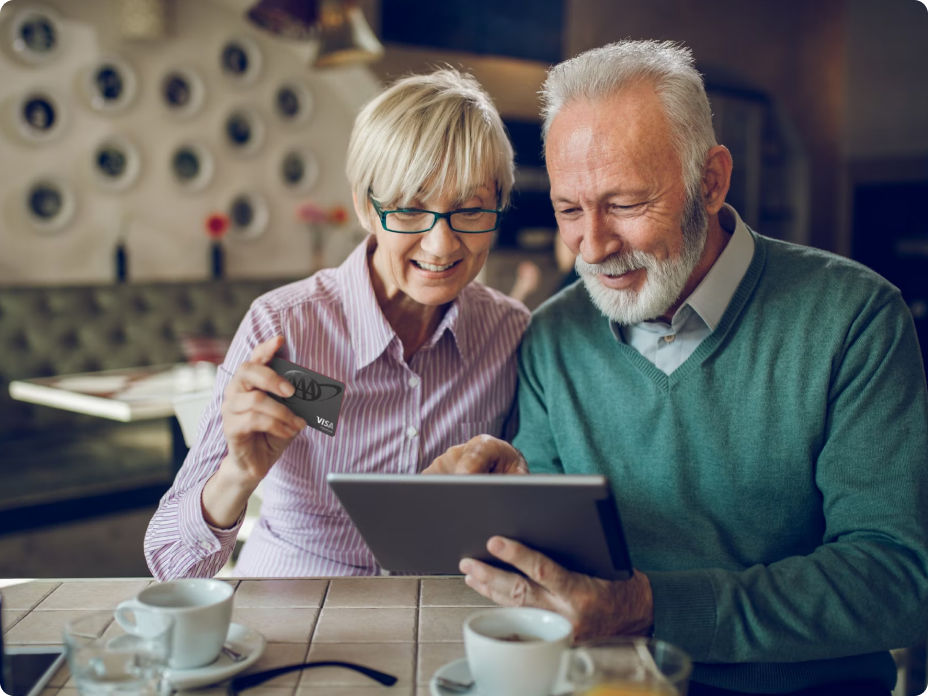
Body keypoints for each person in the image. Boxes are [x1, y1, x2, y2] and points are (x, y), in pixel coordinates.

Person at [425, 40, 928, 695]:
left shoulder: (856, 319)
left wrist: (653, 607)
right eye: (569, 209)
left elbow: (897, 580)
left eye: (626, 204)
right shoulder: (553, 334)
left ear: (711, 181)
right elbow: (551, 580)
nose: (594, 246)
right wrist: (506, 508)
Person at [145, 69, 529, 578]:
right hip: (296, 607)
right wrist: (239, 475)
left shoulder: (510, 333)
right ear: (366, 207)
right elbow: (171, 564)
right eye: (411, 209)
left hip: (441, 608)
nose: (441, 245)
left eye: (471, 209)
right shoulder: (285, 327)